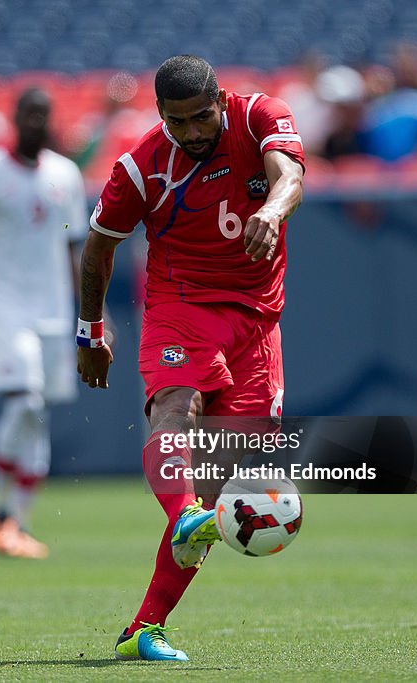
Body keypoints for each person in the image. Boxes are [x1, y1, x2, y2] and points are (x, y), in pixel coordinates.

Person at [76, 55, 304, 661]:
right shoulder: (141, 166)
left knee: (219, 484)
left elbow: (290, 177)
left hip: (258, 323)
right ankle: (181, 514)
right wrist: (90, 330)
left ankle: (143, 629)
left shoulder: (260, 117)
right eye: (178, 123)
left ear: (220, 101)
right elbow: (98, 246)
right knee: (177, 406)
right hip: (183, 307)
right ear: (161, 117)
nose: (193, 133)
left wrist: (271, 210)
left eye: (202, 118)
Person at [0, 88, 88, 559]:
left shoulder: (64, 176)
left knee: (39, 414)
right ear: (15, 118)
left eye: (44, 115)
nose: (37, 122)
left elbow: (73, 248)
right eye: (29, 114)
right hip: (3, 310)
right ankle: (0, 512)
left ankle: (19, 525)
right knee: (25, 403)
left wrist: (88, 317)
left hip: (54, 313)